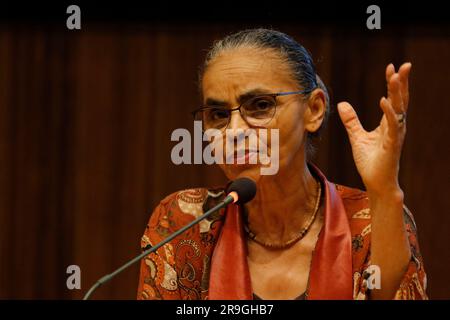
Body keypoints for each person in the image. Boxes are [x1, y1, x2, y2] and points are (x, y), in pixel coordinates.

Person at [137, 28, 427, 300]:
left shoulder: (371, 220)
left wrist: (385, 190)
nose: (235, 132)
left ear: (313, 110)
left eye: (261, 106)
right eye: (217, 114)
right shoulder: (184, 222)